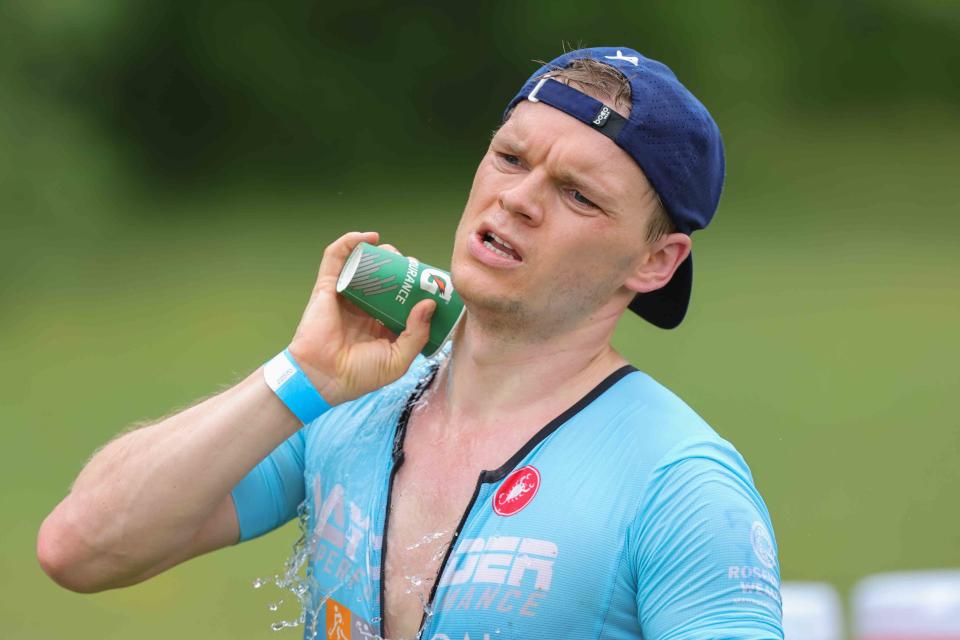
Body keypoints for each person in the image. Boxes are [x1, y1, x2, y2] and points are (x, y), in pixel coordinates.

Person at [37, 46, 784, 639]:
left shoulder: (681, 485)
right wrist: (301, 376)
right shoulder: (346, 408)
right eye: (511, 158)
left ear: (656, 262)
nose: (517, 199)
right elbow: (84, 547)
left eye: (578, 195)